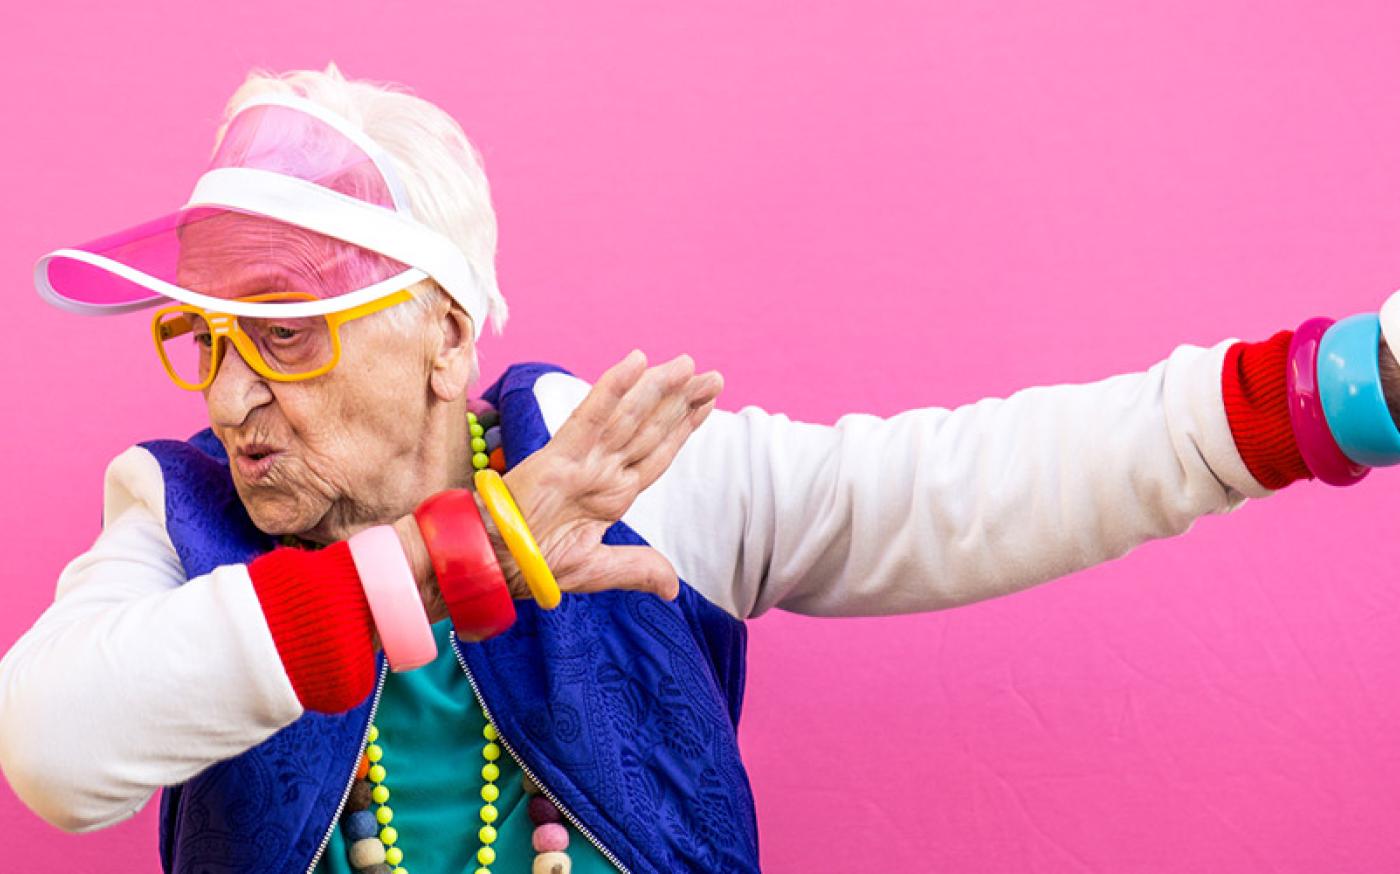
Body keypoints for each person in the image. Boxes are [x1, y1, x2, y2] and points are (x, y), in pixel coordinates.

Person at [3, 63, 1399, 874]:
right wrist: (453, 555)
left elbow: (972, 484)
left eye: (287, 335)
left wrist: (1346, 389)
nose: (235, 390)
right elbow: (50, 746)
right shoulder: (174, 520)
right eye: (204, 339)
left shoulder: (631, 467)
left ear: (441, 334)